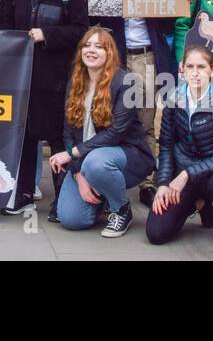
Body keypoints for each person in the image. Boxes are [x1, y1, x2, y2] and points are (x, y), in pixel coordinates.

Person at [0, 0, 89, 217]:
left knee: (59, 136)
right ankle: (23, 192)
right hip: (24, 75)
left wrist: (46, 34)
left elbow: (80, 29)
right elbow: (5, 27)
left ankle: (64, 196)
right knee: (24, 135)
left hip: (57, 76)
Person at [48, 27, 154, 236]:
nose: (91, 50)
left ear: (110, 53)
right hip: (86, 160)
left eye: (99, 46)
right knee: (71, 219)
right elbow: (68, 133)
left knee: (96, 162)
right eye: (87, 45)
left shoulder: (126, 82)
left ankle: (121, 209)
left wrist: (70, 155)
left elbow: (115, 133)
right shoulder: (75, 83)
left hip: (127, 156)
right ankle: (104, 194)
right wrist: (79, 174)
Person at [95, 0, 171, 206]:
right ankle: (110, 178)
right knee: (110, 120)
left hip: (146, 56)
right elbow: (94, 22)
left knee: (146, 120)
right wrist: (88, 0)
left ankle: (148, 182)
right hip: (115, 59)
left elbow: (169, 19)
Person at [145, 45, 213, 247]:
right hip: (184, 172)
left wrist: (186, 174)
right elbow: (166, 145)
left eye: (201, 66)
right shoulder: (174, 98)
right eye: (190, 66)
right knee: (156, 233)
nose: (195, 72)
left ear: (211, 69)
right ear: (182, 68)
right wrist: (164, 183)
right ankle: (200, 203)